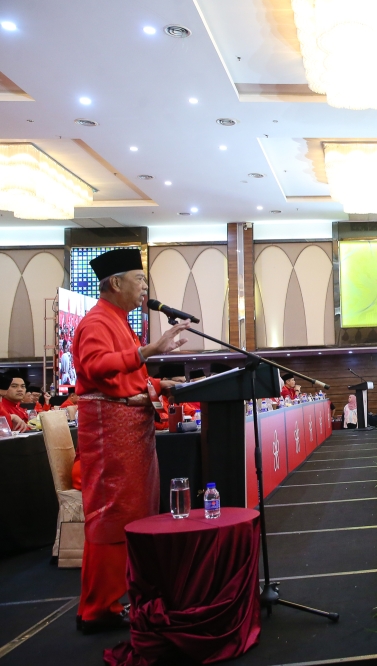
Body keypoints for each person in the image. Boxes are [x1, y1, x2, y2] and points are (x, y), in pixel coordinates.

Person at [72, 248, 189, 634]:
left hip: (129, 428)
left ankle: (117, 598)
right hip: (109, 431)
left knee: (132, 514)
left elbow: (125, 379)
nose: (144, 287)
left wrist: (159, 382)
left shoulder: (120, 320)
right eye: (139, 279)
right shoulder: (96, 322)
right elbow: (94, 369)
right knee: (112, 516)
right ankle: (97, 608)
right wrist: (150, 350)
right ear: (116, 282)